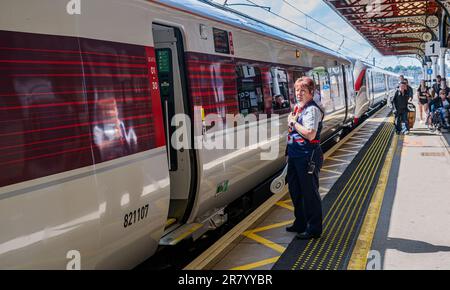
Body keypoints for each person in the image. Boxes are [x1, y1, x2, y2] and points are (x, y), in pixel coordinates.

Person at [286, 76, 324, 240]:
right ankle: (300, 222)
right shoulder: (298, 107)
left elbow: (310, 133)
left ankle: (314, 228)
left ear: (311, 92)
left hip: (308, 156)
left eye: (302, 90)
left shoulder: (312, 110)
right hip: (295, 155)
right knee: (295, 191)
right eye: (296, 90)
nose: (298, 93)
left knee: (310, 193)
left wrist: (294, 123)